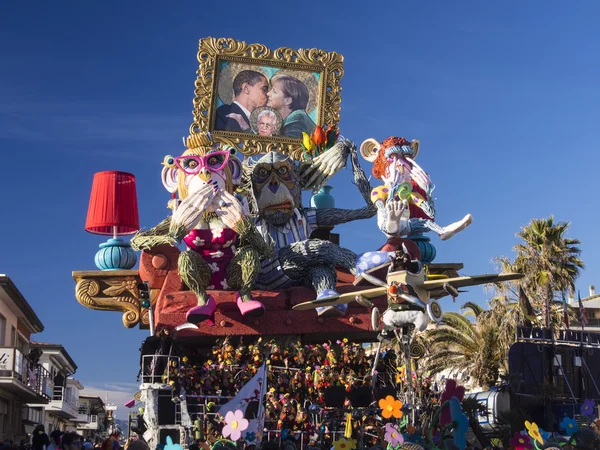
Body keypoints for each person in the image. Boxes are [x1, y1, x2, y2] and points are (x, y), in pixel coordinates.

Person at [267, 74, 315, 138]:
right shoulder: (288, 118)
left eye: (274, 91)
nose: (268, 94)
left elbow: (289, 146)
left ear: (288, 100)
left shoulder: (297, 118)